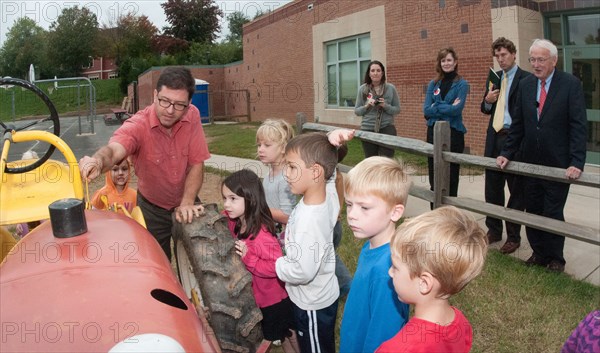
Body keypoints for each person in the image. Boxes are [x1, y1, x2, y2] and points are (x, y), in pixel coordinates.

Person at [79, 66, 210, 260]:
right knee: (157, 264)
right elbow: (115, 150)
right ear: (155, 95)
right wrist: (97, 161)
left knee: (201, 259)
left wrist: (188, 202)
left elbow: (197, 163)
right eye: (164, 101)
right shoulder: (138, 125)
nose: (170, 110)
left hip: (187, 199)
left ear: (189, 104)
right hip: (152, 209)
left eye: (179, 104)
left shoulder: (192, 115)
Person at [497, 39, 587, 273]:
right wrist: (507, 152)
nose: (536, 64)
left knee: (553, 212)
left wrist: (577, 162)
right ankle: (538, 253)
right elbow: (518, 124)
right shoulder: (526, 85)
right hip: (530, 162)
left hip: (558, 165)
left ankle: (556, 258)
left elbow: (578, 126)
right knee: (533, 209)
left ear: (554, 61)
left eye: (541, 59)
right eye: (533, 59)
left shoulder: (570, 84)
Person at [376, 206, 488, 353]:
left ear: (424, 283)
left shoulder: (397, 349)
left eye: (395, 267)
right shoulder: (461, 324)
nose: (390, 272)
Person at [221, 169, 299, 353]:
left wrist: (250, 259)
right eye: (224, 198)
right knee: (284, 333)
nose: (227, 204)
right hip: (259, 297)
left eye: (233, 199)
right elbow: (224, 217)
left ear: (250, 199)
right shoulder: (238, 222)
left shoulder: (261, 236)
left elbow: (277, 266)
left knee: (284, 334)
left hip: (273, 300)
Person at [275, 132, 339, 353]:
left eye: (292, 167)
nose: (286, 174)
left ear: (315, 172)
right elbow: (331, 176)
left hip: (312, 303)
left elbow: (303, 272)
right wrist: (332, 142)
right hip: (324, 293)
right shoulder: (327, 197)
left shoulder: (309, 221)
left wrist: (278, 264)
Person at [339, 156, 411, 353]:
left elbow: (384, 336)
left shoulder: (389, 270)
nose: (352, 214)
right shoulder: (371, 246)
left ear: (395, 212)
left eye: (364, 207)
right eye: (349, 204)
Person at [481, 37, 530, 254]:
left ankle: (513, 236)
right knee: (492, 187)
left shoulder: (526, 79)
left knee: (516, 190)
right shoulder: (494, 78)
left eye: (504, 55)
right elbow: (484, 109)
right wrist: (487, 101)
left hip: (516, 140)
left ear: (513, 54)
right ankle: (493, 230)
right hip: (494, 137)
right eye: (497, 55)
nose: (501, 59)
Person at [423, 47, 469, 201]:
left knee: (451, 177)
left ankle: (450, 217)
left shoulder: (462, 84)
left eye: (449, 60)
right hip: (433, 133)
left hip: (453, 134)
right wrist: (447, 107)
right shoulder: (433, 84)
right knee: (434, 175)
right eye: (443, 60)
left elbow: (457, 110)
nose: (446, 63)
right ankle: (435, 215)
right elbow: (426, 111)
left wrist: (436, 106)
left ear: (455, 62)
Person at [256, 119, 297, 245]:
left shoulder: (285, 178)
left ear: (284, 148)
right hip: (270, 233)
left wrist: (258, 208)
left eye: (267, 145)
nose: (260, 149)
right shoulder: (269, 174)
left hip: (282, 240)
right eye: (259, 145)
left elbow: (287, 216)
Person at [354, 60, 401, 158]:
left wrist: (385, 105)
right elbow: (357, 111)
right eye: (373, 70)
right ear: (369, 73)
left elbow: (397, 109)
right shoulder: (362, 89)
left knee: (386, 161)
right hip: (367, 129)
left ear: (382, 73)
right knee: (371, 160)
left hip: (387, 128)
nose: (375, 73)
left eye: (378, 70)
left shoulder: (390, 88)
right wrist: (367, 105)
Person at [332, 143, 353, 297]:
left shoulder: (330, 178)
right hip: (336, 225)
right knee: (328, 256)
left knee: (329, 256)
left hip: (331, 225)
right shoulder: (337, 174)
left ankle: (348, 287)